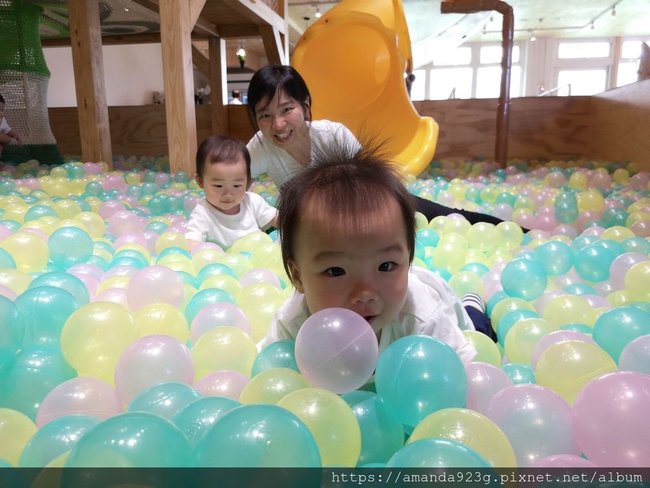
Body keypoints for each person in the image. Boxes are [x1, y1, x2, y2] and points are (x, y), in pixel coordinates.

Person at [259, 140, 496, 359]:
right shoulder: (293, 325)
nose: (365, 293)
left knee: (480, 332)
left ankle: (472, 303)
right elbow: (269, 371)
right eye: (335, 271)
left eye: (386, 266)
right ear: (298, 276)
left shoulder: (422, 319)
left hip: (450, 309)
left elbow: (464, 369)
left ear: (408, 261)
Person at [245, 64, 512, 228]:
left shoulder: (331, 135)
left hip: (375, 203)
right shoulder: (261, 145)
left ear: (305, 106)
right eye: (265, 115)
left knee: (449, 217)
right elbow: (230, 179)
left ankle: (520, 230)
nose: (277, 124)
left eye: (287, 109)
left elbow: (372, 182)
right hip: (324, 225)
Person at [185, 135, 277, 249]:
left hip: (257, 259)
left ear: (247, 182)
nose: (228, 194)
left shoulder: (252, 202)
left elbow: (277, 219)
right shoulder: (203, 213)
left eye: (237, 185)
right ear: (200, 181)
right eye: (218, 186)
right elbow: (193, 243)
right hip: (224, 264)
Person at [0, 94, 22, 159]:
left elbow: (8, 130)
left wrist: (16, 135)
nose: (0, 112)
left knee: (6, 140)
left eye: (2, 110)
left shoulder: (2, 121)